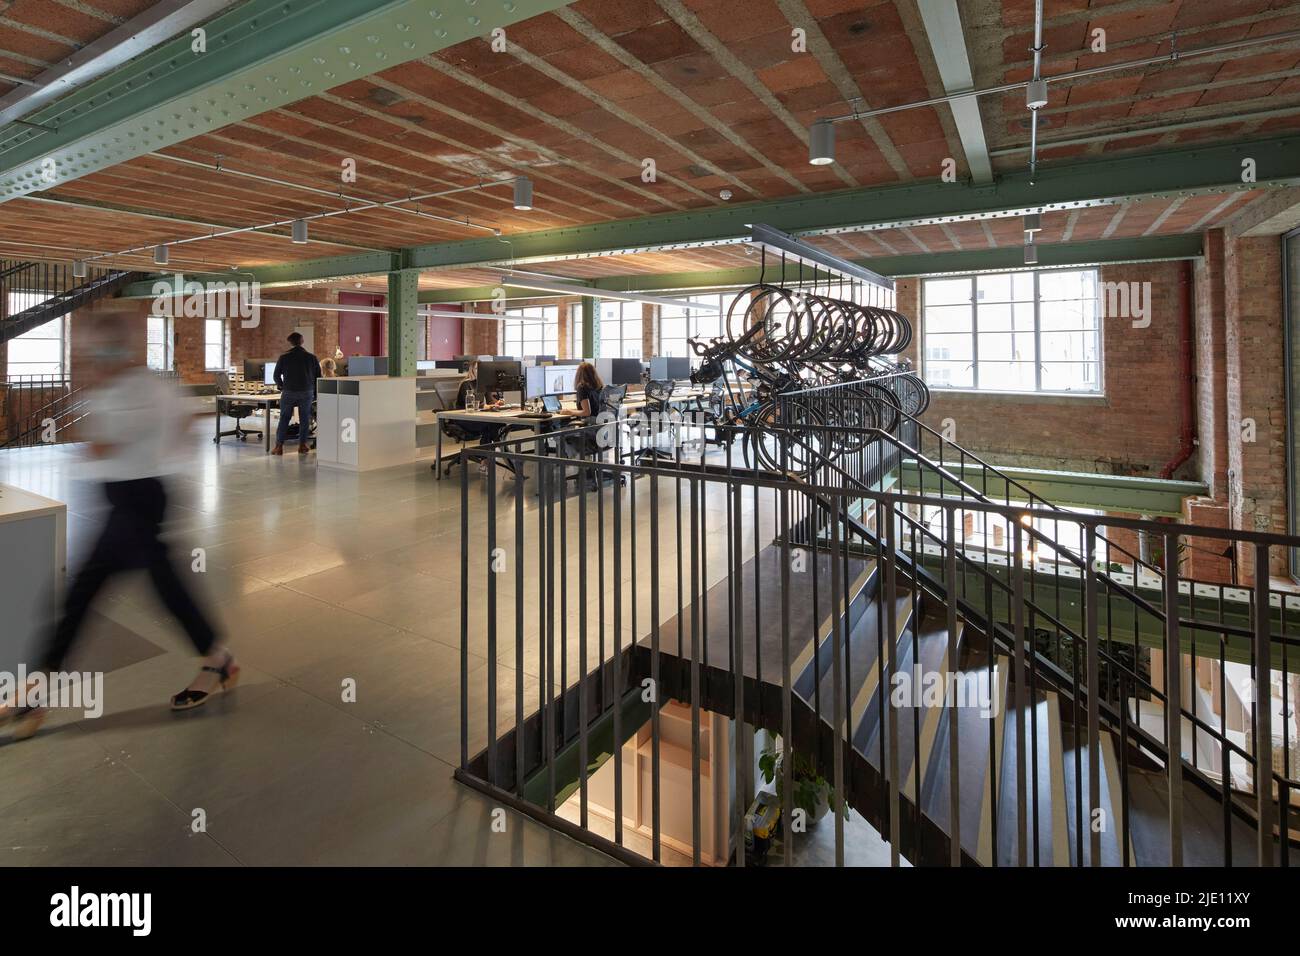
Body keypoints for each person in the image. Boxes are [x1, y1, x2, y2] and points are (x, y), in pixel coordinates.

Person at [1, 313, 238, 740]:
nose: (91, 359)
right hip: (125, 500)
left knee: (88, 593)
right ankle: (217, 657)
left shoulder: (143, 387)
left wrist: (144, 454)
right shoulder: (120, 388)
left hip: (138, 500)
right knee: (153, 589)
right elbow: (171, 427)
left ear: (118, 348)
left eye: (97, 350)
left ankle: (34, 692)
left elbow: (116, 440)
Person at [272, 331, 321, 455]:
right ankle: (303, 445)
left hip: (289, 391)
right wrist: (314, 392)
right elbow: (318, 377)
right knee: (305, 419)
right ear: (302, 341)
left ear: (290, 342)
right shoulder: (312, 357)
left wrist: (282, 386)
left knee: (284, 418)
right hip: (306, 392)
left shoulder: (284, 357)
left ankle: (279, 447)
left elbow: (276, 375)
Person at [454, 361, 508, 474]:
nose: (480, 371)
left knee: (495, 424)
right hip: (463, 418)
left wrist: (497, 402)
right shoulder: (466, 384)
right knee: (490, 425)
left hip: (477, 417)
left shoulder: (483, 383)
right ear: (472, 370)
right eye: (477, 369)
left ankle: (486, 458)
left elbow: (490, 401)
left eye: (482, 369)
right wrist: (486, 406)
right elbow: (470, 404)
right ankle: (498, 448)